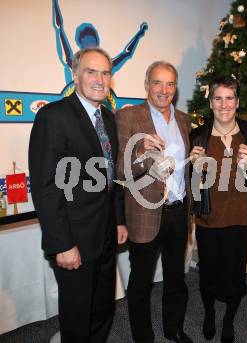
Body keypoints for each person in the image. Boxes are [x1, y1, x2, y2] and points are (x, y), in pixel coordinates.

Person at [29, 47, 127, 343]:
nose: (99, 79)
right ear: (74, 75)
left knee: (102, 310)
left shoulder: (108, 119)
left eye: (105, 72)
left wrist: (119, 220)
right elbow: (47, 187)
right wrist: (62, 244)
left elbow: (112, 177)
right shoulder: (53, 116)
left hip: (107, 235)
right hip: (75, 241)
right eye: (91, 71)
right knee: (76, 316)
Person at [115, 61, 193, 343]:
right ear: (146, 85)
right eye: (157, 83)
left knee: (176, 278)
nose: (164, 90)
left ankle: (174, 329)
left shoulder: (184, 120)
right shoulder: (128, 117)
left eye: (170, 84)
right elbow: (120, 171)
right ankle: (143, 337)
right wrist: (139, 149)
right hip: (145, 212)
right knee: (140, 283)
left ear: (176, 88)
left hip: (179, 211)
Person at [189, 76, 247, 343]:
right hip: (209, 219)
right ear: (211, 102)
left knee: (235, 274)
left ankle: (229, 319)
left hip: (241, 218)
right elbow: (192, 189)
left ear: (237, 102)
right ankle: (208, 314)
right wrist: (194, 171)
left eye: (230, 98)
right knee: (209, 274)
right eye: (218, 98)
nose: (224, 104)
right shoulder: (198, 137)